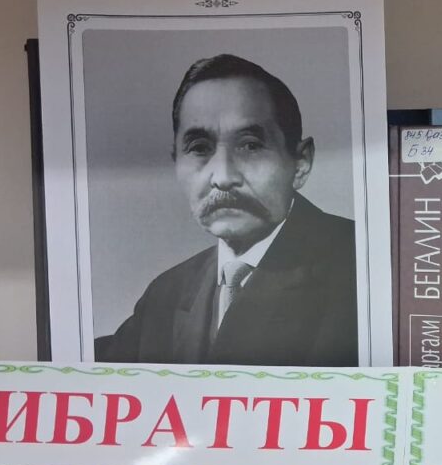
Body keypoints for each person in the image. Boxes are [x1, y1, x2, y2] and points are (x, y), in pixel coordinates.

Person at [95, 53, 358, 366]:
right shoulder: (166, 293)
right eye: (199, 148)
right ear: (176, 162)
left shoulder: (361, 266)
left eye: (250, 145)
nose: (222, 177)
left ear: (300, 163)